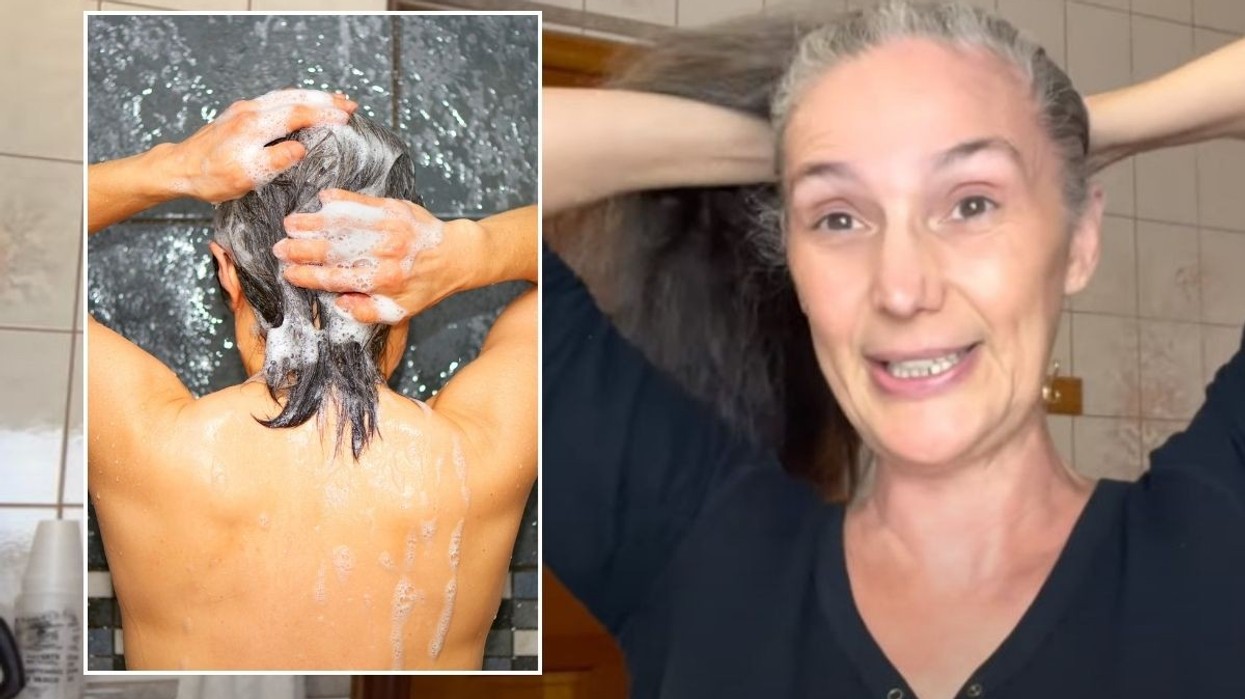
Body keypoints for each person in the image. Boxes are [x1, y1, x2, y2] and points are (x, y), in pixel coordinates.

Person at [536, 3, 1242, 697]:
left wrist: (1067, 131)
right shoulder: (696, 561)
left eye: (971, 203)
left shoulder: (1218, 542)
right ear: (792, 261)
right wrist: (793, 142)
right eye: (837, 216)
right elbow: (442, 166)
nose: (901, 288)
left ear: (1078, 242)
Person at [86, 88, 538, 670]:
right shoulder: (482, 453)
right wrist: (468, 250)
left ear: (226, 271)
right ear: (414, 274)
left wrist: (175, 166)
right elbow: (601, 257)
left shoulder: (149, 444)